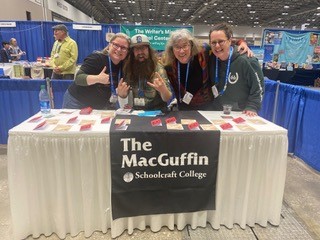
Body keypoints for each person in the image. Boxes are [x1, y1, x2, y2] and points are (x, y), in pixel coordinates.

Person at [163, 28, 253, 111]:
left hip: (207, 108)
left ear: (191, 45)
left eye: (185, 46)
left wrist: (241, 43)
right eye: (177, 47)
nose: (181, 51)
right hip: (183, 108)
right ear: (172, 49)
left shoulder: (203, 52)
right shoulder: (168, 64)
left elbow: (223, 43)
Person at [62, 33, 130, 109]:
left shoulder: (124, 66)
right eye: (116, 45)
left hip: (99, 105)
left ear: (127, 51)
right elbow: (78, 78)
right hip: (76, 101)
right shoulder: (97, 58)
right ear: (109, 45)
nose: (119, 49)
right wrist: (98, 78)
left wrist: (121, 94)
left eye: (123, 47)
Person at [208, 23, 264, 117]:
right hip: (217, 113)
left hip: (242, 114)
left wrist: (252, 106)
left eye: (221, 41)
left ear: (230, 41)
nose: (217, 46)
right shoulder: (212, 59)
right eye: (213, 42)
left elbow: (259, 86)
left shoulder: (247, 60)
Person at [117, 34, 172, 111]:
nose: (140, 52)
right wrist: (122, 95)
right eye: (136, 49)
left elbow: (167, 98)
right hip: (136, 112)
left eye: (143, 48)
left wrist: (163, 90)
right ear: (132, 52)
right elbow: (125, 96)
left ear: (148, 50)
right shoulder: (128, 68)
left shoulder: (158, 69)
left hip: (157, 112)